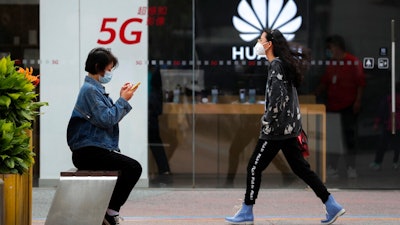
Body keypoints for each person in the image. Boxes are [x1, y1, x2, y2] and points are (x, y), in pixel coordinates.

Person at [225, 29, 345, 225]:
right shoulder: (282, 65)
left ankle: (247, 211)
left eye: (260, 39)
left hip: (276, 130)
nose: (257, 43)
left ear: (269, 44)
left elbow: (277, 100)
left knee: (254, 167)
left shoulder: (277, 66)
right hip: (288, 129)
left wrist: (266, 121)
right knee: (301, 169)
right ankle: (332, 204)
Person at [66, 47, 142, 225]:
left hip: (92, 150)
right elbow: (107, 119)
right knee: (133, 168)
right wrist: (123, 100)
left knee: (129, 168)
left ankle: (108, 210)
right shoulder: (90, 91)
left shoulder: (95, 90)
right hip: (88, 152)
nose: (109, 73)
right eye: (108, 69)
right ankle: (110, 211)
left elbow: (107, 117)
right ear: (98, 66)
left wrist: (121, 99)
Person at [315, 35, 366, 178]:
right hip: (332, 106)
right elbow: (324, 83)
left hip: (348, 106)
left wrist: (358, 101)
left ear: (337, 47)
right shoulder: (332, 64)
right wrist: (313, 94)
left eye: (329, 48)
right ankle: (333, 167)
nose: (328, 51)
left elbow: (361, 84)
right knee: (333, 138)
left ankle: (351, 168)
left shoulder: (353, 62)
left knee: (349, 138)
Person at [148, 66, 172, 184]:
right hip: (150, 113)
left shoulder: (153, 74)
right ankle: (162, 171)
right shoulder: (152, 73)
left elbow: (154, 95)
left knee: (154, 142)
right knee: (154, 142)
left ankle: (163, 171)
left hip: (150, 114)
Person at [369, 82, 400, 170]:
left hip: (389, 125)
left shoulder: (388, 98)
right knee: (397, 145)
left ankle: (377, 163)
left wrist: (376, 123)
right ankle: (395, 162)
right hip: (398, 126)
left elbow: (381, 112)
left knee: (382, 145)